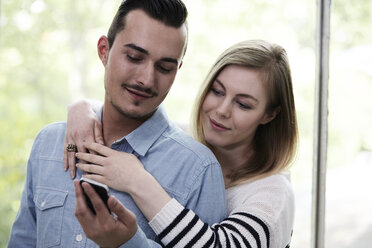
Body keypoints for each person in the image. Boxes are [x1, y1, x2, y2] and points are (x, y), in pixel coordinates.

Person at [8, 1, 227, 247]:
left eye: (165, 68)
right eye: (134, 57)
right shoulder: (49, 142)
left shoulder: (198, 168)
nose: (146, 79)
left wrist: (129, 243)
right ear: (104, 51)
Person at [66, 39, 298, 247]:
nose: (222, 110)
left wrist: (136, 181)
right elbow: (131, 117)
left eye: (244, 105)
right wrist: (82, 108)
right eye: (217, 92)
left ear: (270, 114)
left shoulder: (273, 193)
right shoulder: (185, 146)